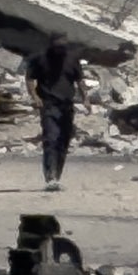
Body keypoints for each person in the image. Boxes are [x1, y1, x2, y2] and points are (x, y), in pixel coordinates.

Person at [30, 38, 84, 188]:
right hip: (48, 104)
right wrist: (35, 97)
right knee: (51, 138)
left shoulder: (72, 60)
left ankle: (56, 176)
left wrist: (85, 99)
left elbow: (79, 80)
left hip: (67, 105)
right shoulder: (41, 59)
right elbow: (30, 78)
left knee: (63, 140)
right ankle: (50, 177)